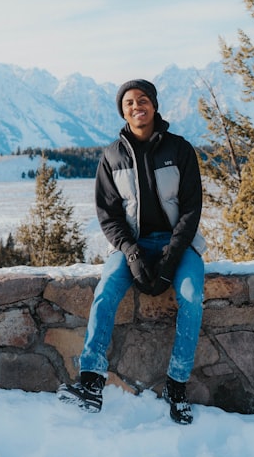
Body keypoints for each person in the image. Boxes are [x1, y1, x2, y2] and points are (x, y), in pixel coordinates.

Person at [57, 78, 206, 424]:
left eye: (142, 100)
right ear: (122, 111)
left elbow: (191, 209)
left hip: (179, 245)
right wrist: (131, 252)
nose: (136, 107)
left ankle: (177, 385)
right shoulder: (111, 156)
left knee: (191, 296)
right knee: (105, 291)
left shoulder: (180, 149)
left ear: (154, 105)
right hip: (131, 247)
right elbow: (107, 215)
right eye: (129, 103)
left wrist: (171, 255)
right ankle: (91, 381)